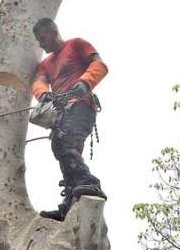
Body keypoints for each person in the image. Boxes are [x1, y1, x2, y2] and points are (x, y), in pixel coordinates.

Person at [31, 17, 108, 221]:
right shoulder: (45, 64)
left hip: (81, 104)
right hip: (62, 113)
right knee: (63, 150)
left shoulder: (77, 45)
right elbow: (39, 82)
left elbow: (98, 64)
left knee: (62, 144)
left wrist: (86, 82)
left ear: (52, 32)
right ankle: (71, 203)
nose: (40, 43)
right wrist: (43, 94)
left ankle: (88, 182)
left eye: (41, 38)